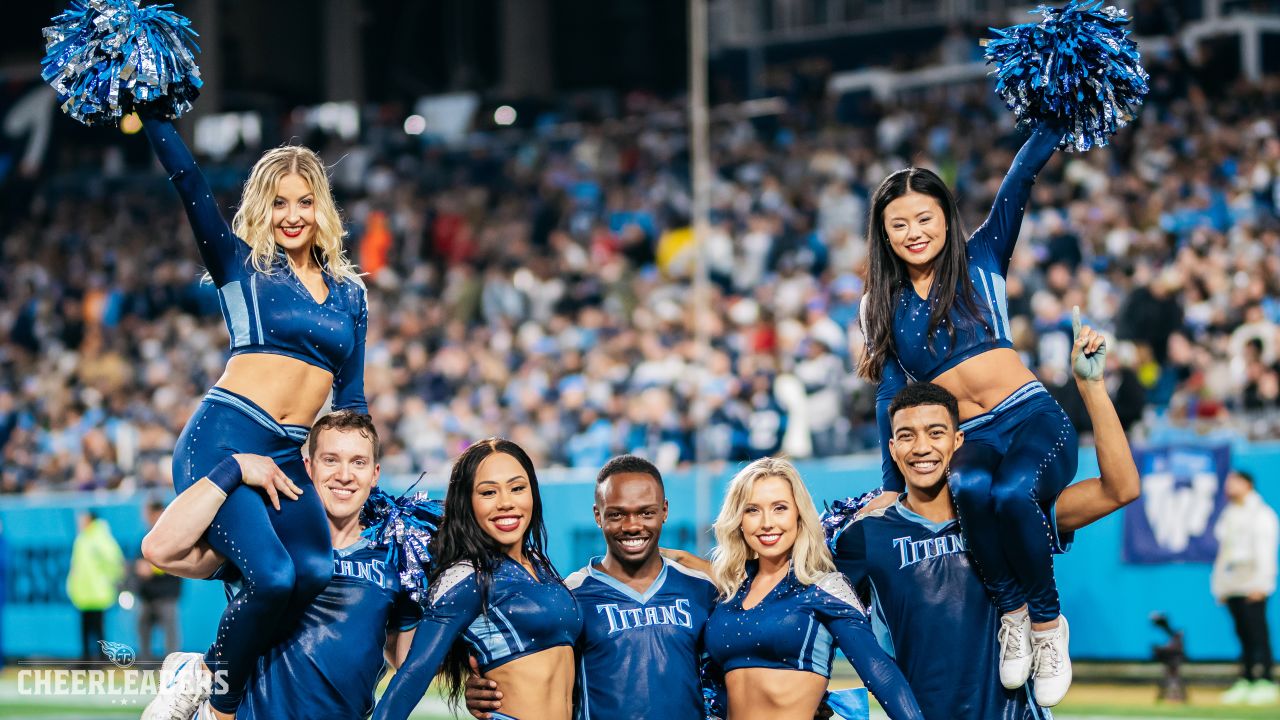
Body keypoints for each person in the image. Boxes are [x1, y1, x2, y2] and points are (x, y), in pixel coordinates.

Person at [137, 114, 369, 720]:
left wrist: (362, 472)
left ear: (323, 209)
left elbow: (352, 400)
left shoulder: (351, 295)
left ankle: (205, 663)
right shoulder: (240, 266)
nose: (292, 215)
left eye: (305, 201)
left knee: (314, 572)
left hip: (291, 454)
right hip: (225, 437)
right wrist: (153, 111)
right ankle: (215, 698)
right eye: (277, 203)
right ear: (261, 210)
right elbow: (188, 179)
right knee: (270, 577)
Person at [857, 124, 1079, 704]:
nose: (913, 232)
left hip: (1031, 420)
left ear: (946, 218)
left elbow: (1019, 180)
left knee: (1011, 495)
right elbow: (888, 396)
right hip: (970, 437)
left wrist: (1056, 115)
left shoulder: (982, 256)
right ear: (883, 233)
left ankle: (1047, 624)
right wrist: (891, 484)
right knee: (971, 483)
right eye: (898, 224)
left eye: (924, 218)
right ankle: (1010, 609)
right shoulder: (877, 303)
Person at [832, 318, 1140, 718]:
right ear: (892, 448)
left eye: (935, 433)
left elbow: (1121, 489)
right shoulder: (865, 536)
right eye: (907, 436)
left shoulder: (1008, 512)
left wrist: (1092, 387)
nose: (921, 447)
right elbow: (810, 614)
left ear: (959, 441)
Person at [141, 411, 422, 719]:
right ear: (308, 467)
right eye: (330, 460)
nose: (344, 474)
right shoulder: (268, 542)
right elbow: (161, 551)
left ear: (375, 473)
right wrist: (232, 469)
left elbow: (408, 660)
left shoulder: (394, 558)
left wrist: (475, 678)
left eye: (358, 462)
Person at [464, 454, 721, 720]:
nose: (632, 526)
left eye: (646, 512)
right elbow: (538, 673)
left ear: (664, 511)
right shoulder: (570, 597)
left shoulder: (702, 588)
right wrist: (486, 689)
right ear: (598, 515)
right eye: (617, 514)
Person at [373, 439, 582, 720]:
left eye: (518, 488)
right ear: (466, 502)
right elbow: (412, 676)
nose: (506, 503)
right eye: (488, 493)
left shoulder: (539, 564)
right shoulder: (466, 575)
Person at [702, 457, 924, 720]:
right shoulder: (729, 593)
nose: (766, 523)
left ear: (799, 514)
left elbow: (881, 674)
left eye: (779, 508)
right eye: (752, 510)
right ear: (738, 519)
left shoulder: (823, 588)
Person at [1213, 469, 1279, 706]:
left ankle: (1266, 681)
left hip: (1253, 584)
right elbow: (1224, 553)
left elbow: (1266, 552)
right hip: (1233, 586)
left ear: (1248, 484)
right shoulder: (1230, 515)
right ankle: (1247, 679)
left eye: (1234, 482)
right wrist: (1220, 586)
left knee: (1258, 634)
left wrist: (1262, 584)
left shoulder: (1262, 514)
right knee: (1242, 634)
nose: (1228, 486)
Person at [66, 510, 125, 664]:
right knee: (85, 629)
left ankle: (100, 660)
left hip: (98, 593)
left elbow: (115, 561)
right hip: (83, 594)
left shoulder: (101, 538)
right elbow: (76, 566)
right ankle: (86, 659)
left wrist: (109, 581)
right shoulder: (82, 539)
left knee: (98, 629)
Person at [135, 500, 183, 661]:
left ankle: (173, 668)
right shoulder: (145, 536)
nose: (146, 517)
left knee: (170, 636)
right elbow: (139, 563)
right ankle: (145, 666)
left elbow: (177, 562)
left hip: (166, 594)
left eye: (149, 513)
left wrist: (152, 568)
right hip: (147, 595)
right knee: (143, 631)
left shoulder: (172, 536)